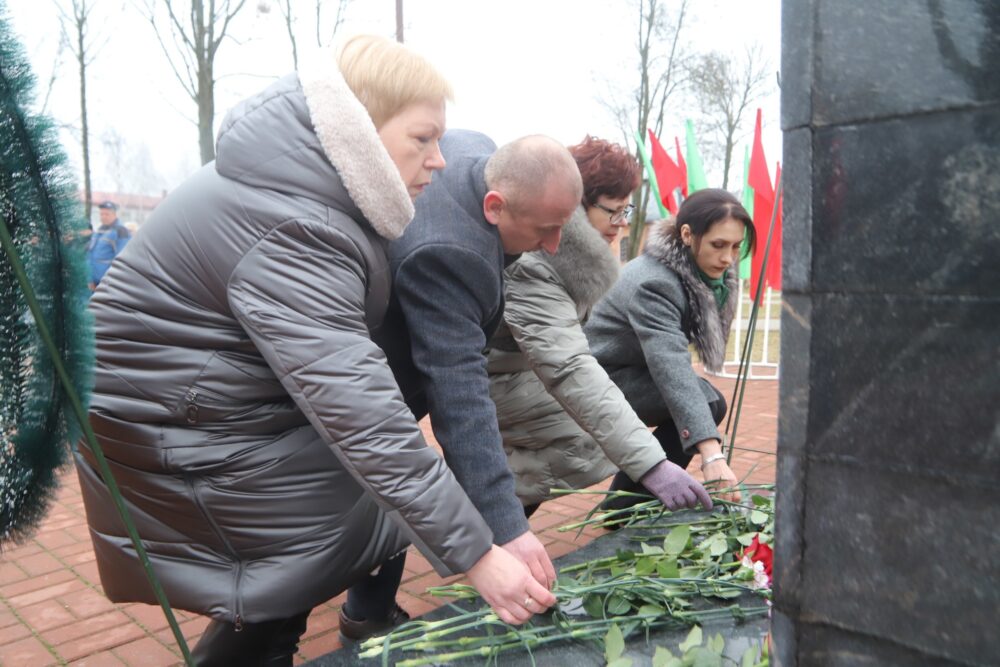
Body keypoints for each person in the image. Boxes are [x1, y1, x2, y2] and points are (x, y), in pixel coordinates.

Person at [75, 35, 553, 667]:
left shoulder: (308, 190)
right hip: (174, 425)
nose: (438, 161)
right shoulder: (298, 226)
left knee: (343, 529)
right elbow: (364, 417)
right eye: (421, 138)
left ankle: (293, 634)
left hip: (204, 403)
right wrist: (479, 555)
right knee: (310, 546)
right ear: (358, 125)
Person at [378, 131, 582, 593]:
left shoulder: (474, 148)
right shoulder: (452, 255)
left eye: (562, 225)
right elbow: (461, 398)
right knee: (375, 498)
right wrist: (507, 529)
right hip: (371, 381)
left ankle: (368, 611)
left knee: (380, 499)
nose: (553, 245)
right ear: (495, 206)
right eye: (543, 229)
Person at [485, 136, 713, 516]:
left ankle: (505, 522)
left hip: (545, 369)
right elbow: (568, 366)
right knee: (576, 436)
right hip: (507, 376)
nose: (621, 224)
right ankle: (492, 518)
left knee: (594, 425)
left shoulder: (580, 256)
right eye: (614, 211)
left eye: (628, 210)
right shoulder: (539, 259)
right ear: (575, 203)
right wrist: (653, 466)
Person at [584, 188, 755, 512]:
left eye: (736, 246)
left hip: (631, 365)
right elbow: (670, 363)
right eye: (718, 245)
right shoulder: (654, 282)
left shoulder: (698, 273)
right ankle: (627, 507)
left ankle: (624, 503)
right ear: (687, 235)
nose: (727, 258)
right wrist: (711, 455)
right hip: (597, 375)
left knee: (708, 402)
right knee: (703, 403)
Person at [86, 200, 130, 292]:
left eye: (106, 214)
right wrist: (90, 279)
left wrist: (109, 282)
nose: (103, 217)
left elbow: (122, 259)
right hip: (94, 283)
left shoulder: (121, 231)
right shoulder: (99, 231)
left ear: (114, 215)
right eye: (101, 214)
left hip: (108, 285)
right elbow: (90, 255)